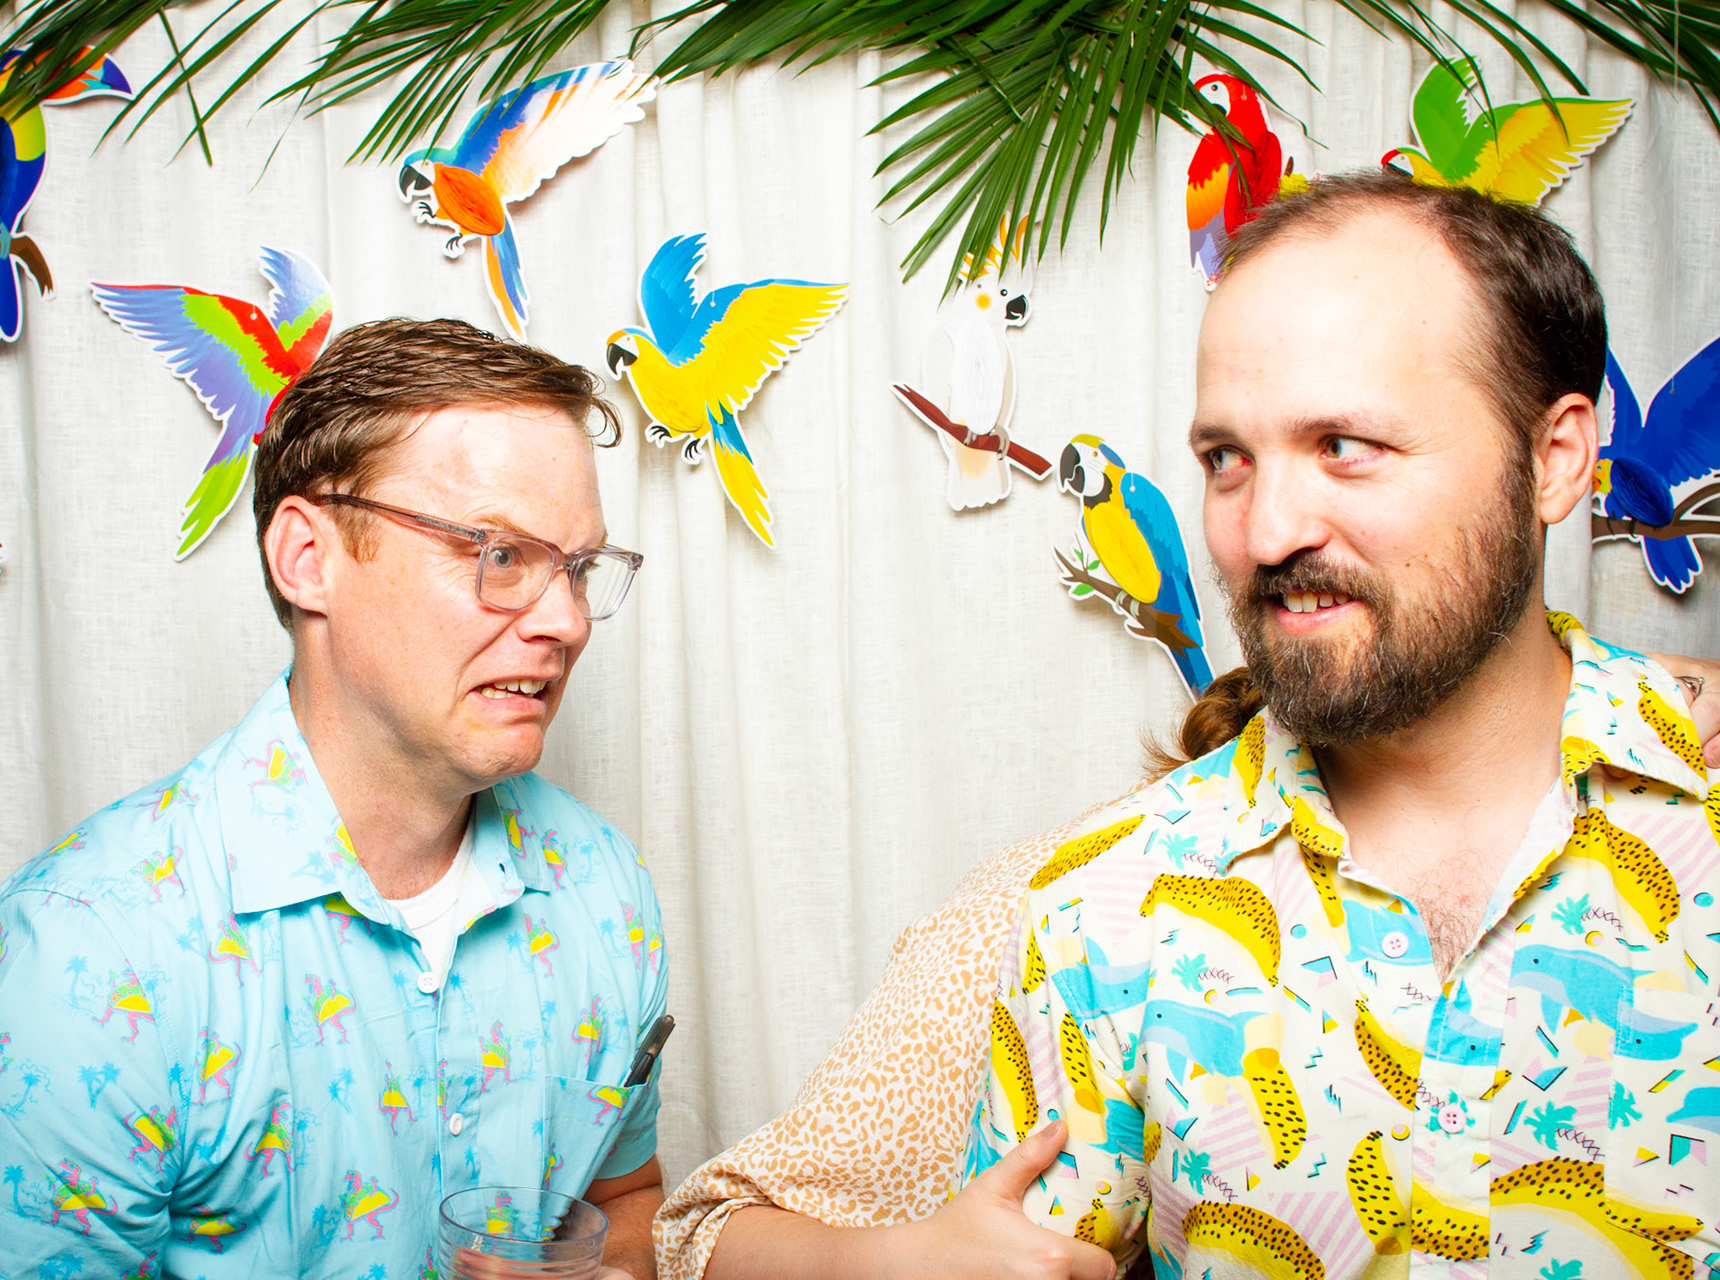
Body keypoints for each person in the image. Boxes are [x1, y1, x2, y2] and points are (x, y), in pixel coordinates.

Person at [657, 171, 1720, 1279]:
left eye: (1346, 444)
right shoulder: (1101, 906)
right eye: (1227, 460)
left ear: (1556, 459)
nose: (1265, 532)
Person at [0, 319, 667, 1280]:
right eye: (500, 554)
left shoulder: (607, 893)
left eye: (579, 569)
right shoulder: (76, 970)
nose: (568, 621)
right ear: (306, 557)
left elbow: (621, 1200)